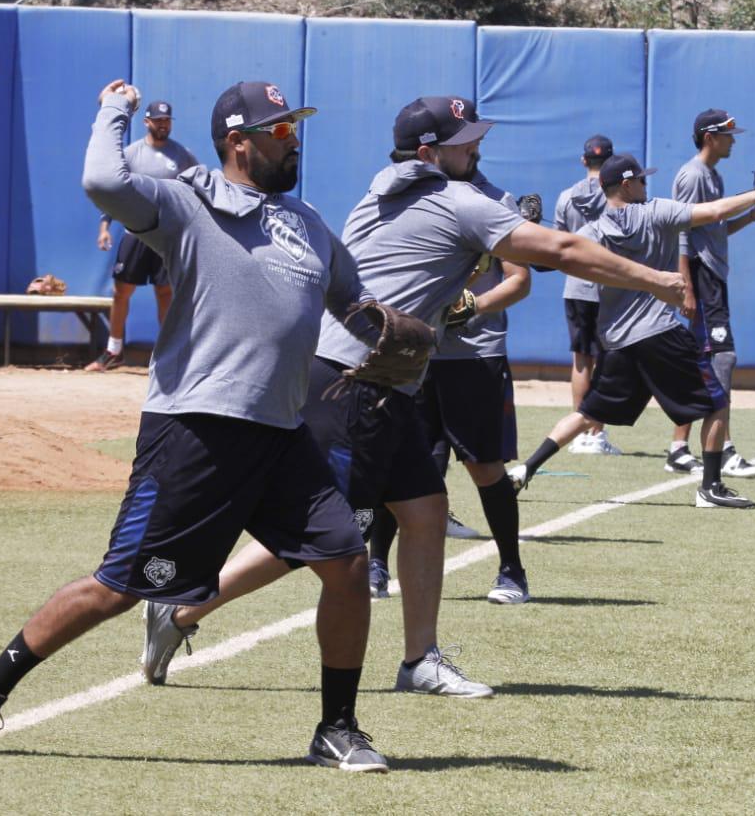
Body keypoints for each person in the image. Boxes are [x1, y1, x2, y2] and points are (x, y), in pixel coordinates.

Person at [137, 95, 687, 697]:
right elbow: (560, 251)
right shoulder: (454, 200)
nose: (476, 146)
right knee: (326, 533)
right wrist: (657, 279)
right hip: (355, 380)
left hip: (379, 379)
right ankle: (183, 609)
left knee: (425, 513)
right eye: (464, 140)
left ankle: (419, 660)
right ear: (429, 153)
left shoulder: (382, 191)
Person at [0, 79, 391, 772]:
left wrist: (401, 329)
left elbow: (355, 300)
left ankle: (336, 726)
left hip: (281, 432)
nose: (292, 137)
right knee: (121, 586)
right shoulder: (188, 204)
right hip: (196, 430)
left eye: (293, 126)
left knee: (347, 559)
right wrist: (114, 110)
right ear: (237, 141)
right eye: (278, 129)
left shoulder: (307, 224)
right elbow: (101, 177)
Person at [509, 153, 755, 509]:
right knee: (716, 403)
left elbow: (548, 257)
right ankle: (710, 487)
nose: (644, 183)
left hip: (618, 341)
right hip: (659, 334)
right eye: (639, 179)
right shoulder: (657, 212)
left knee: (590, 413)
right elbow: (714, 212)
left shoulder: (593, 230)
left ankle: (524, 469)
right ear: (626, 184)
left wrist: (523, 225)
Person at [369, 158, 534, 604]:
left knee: (484, 466)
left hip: (474, 357)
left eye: (473, 142)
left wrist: (471, 307)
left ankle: (511, 572)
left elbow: (519, 280)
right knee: (397, 464)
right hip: (415, 353)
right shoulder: (401, 199)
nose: (471, 150)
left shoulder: (495, 200)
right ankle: (376, 564)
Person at [667, 109, 755, 479]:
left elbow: (714, 231)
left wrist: (753, 217)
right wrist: (686, 285)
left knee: (702, 362)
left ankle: (679, 448)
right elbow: (680, 230)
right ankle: (722, 448)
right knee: (722, 360)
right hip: (701, 278)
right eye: (727, 134)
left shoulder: (713, 175)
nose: (733, 140)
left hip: (711, 276)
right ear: (709, 137)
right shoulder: (693, 175)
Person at [87, 100, 199, 371]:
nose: (163, 124)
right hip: (134, 232)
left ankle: (168, 357)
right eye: (158, 120)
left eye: (167, 120)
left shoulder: (182, 156)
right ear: (146, 122)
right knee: (121, 291)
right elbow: (114, 192)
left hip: (166, 234)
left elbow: (194, 191)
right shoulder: (131, 154)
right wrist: (105, 226)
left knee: (165, 292)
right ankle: (114, 351)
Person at [554, 134, 621, 456]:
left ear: (584, 161)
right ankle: (596, 434)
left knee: (581, 361)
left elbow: (558, 244)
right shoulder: (615, 194)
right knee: (606, 360)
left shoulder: (566, 197)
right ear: (610, 161)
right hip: (608, 287)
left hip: (576, 287)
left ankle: (580, 433)